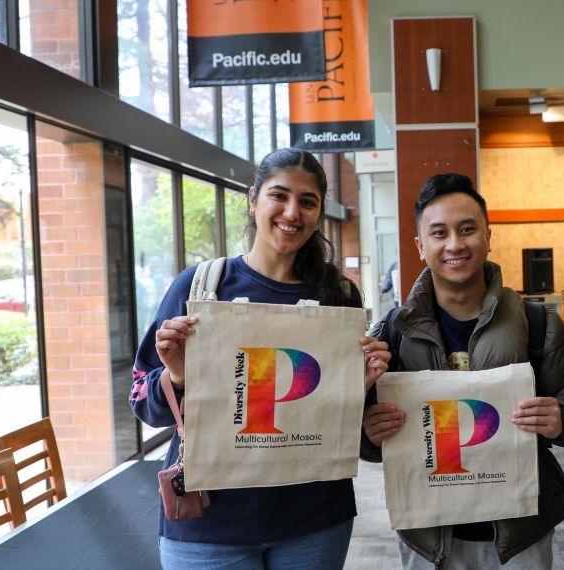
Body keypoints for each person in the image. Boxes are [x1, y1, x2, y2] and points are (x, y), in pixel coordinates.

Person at [130, 148, 390, 570]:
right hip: (210, 526)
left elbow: (346, 421)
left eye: (307, 202)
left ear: (319, 213)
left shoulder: (339, 295)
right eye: (279, 196)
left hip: (315, 519)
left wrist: (360, 384)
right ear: (253, 200)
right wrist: (176, 378)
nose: (292, 212)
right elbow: (144, 403)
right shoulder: (201, 287)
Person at [360, 173, 564, 569]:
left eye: (467, 229)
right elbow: (363, 435)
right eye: (439, 233)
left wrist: (562, 417)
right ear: (420, 246)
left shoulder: (538, 324)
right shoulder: (392, 333)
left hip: (520, 538)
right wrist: (369, 431)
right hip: (428, 538)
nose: (454, 244)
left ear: (488, 236)